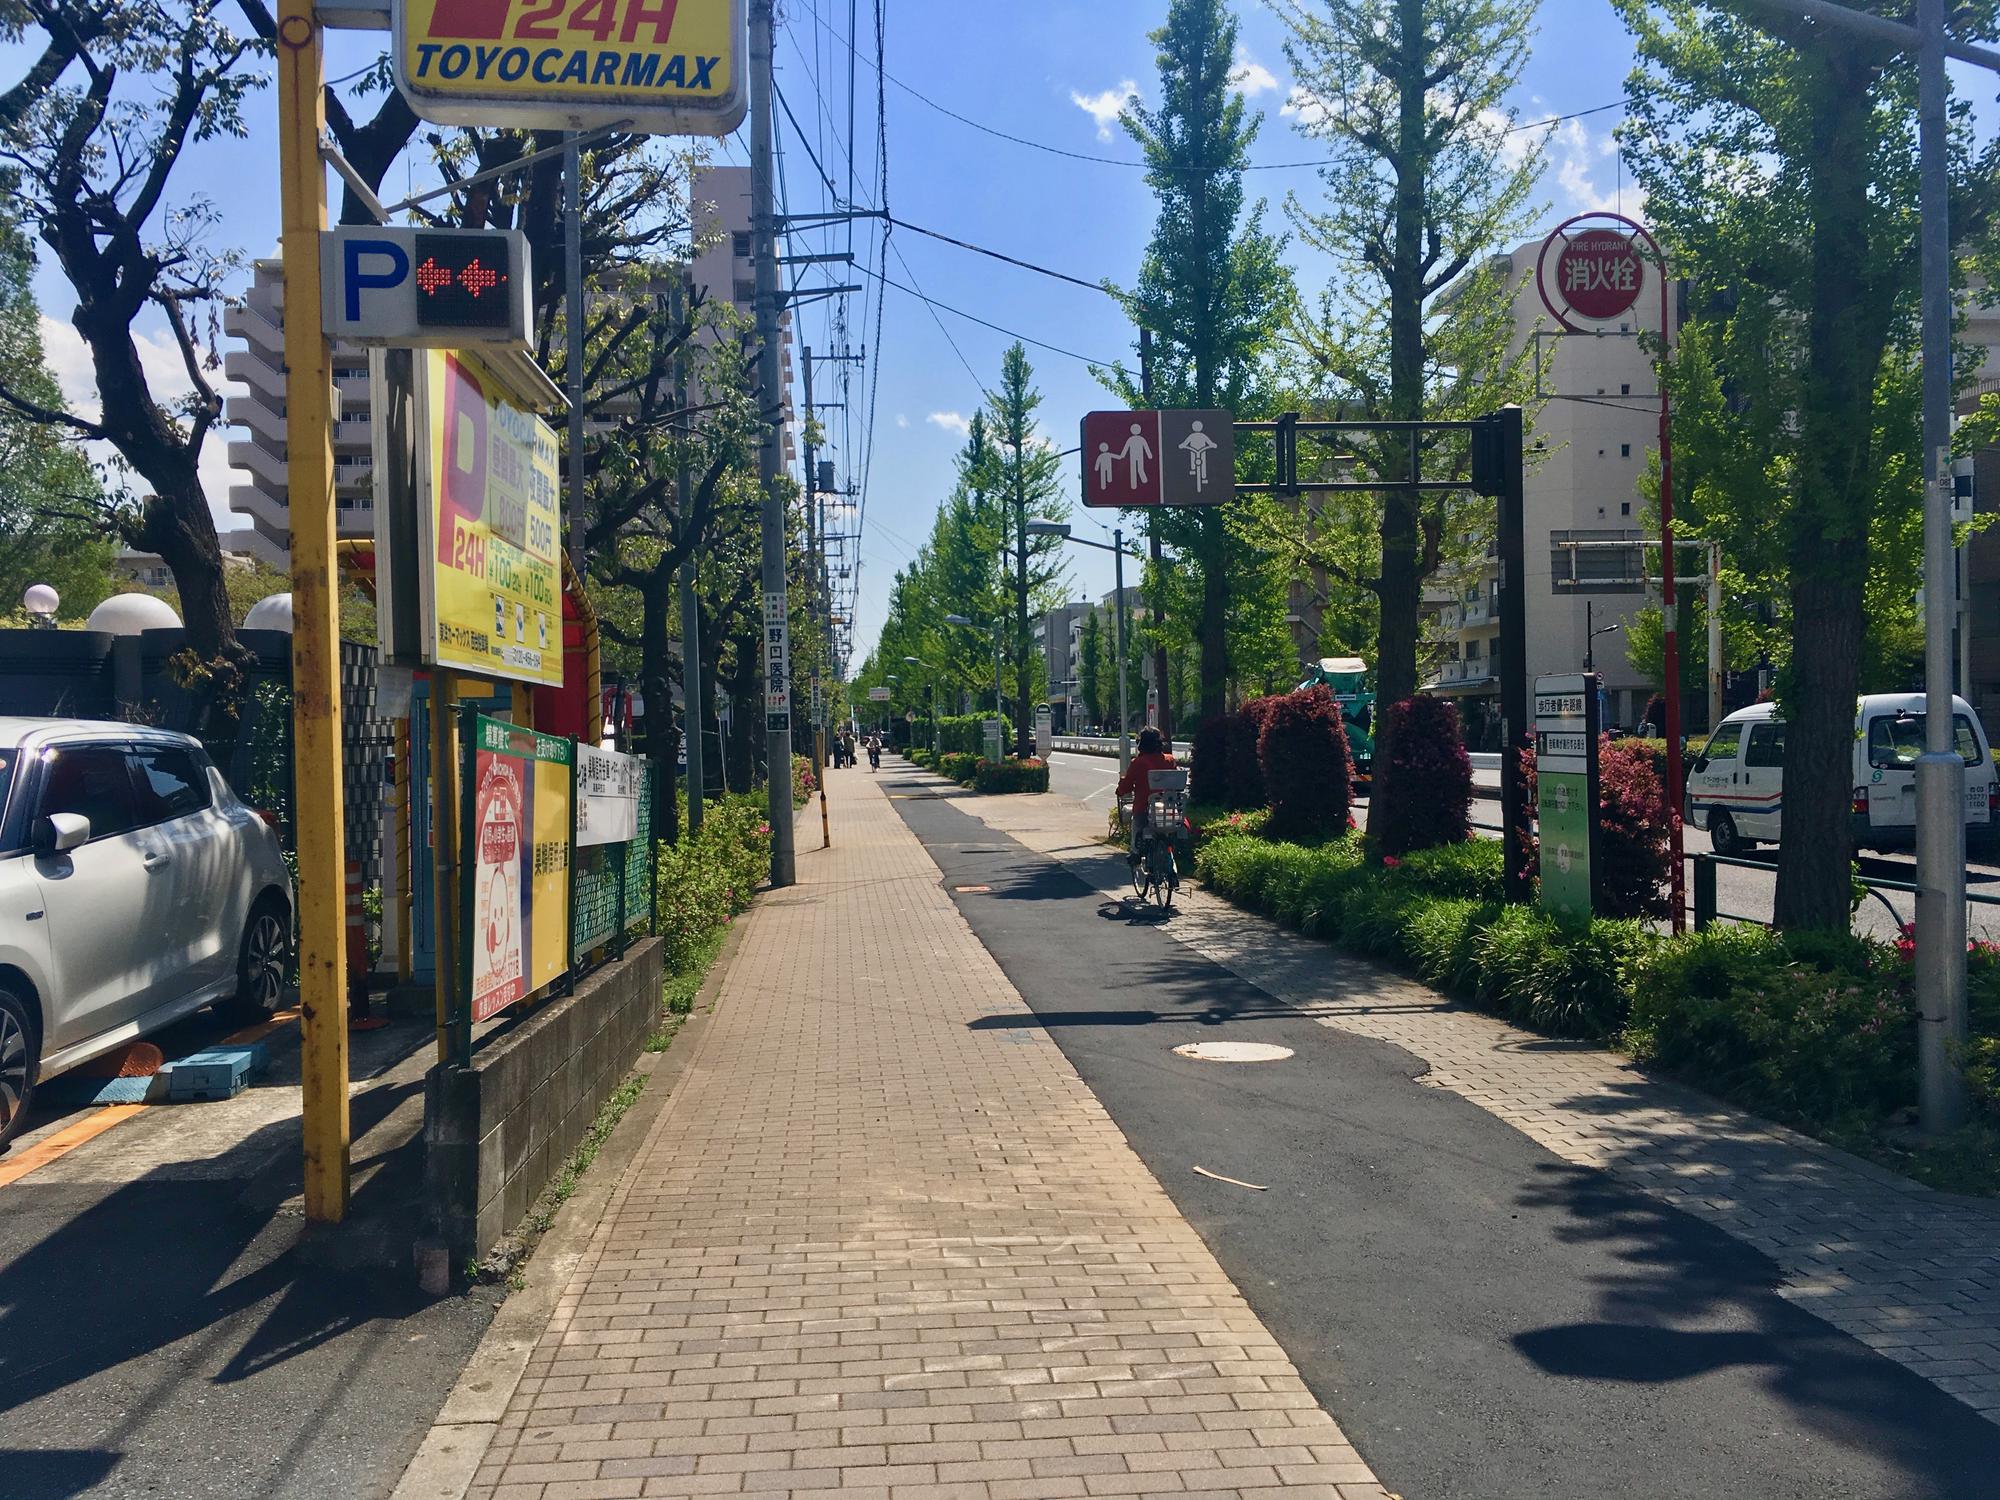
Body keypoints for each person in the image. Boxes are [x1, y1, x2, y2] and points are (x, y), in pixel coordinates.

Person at [1117, 727, 1179, 867]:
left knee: (1136, 822)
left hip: (1145, 809)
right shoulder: (1170, 760)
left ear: (1141, 744)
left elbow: (1125, 787)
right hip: (1169, 810)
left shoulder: (1138, 763)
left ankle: (1135, 852)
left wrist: (1120, 789)